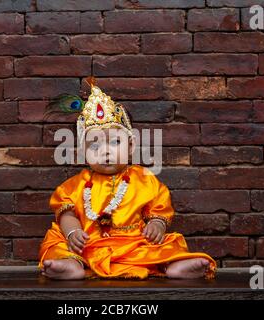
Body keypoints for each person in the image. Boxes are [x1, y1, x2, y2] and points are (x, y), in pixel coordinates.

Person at [37, 78, 217, 280]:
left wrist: (157, 225)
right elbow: (66, 214)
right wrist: (73, 233)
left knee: (168, 243)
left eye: (115, 142)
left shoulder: (144, 179)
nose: (105, 151)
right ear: (82, 153)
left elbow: (158, 210)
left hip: (133, 244)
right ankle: (71, 265)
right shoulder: (75, 185)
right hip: (89, 244)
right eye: (95, 146)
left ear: (131, 146)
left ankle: (174, 265)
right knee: (56, 241)